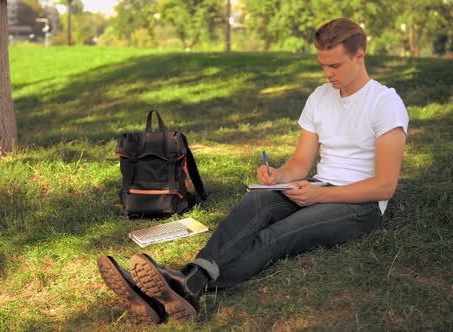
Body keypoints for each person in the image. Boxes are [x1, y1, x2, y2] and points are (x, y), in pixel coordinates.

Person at [97, 17, 409, 324]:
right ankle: (184, 284)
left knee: (277, 235)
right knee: (255, 203)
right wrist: (279, 176)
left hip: (359, 204)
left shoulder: (384, 103)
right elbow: (301, 163)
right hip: (315, 185)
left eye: (335, 66)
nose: (328, 74)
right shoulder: (319, 97)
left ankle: (173, 287)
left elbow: (384, 186)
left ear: (359, 55)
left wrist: (319, 195)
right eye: (322, 65)